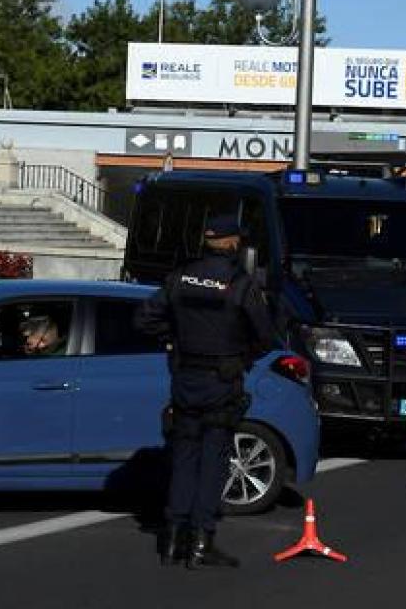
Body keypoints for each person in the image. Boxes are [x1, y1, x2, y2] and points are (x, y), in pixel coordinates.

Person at [135, 211, 274, 569]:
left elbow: (144, 318)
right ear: (232, 242)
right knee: (213, 461)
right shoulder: (240, 284)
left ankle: (172, 540)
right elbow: (264, 335)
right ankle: (200, 542)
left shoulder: (180, 277)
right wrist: (241, 357)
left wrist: (175, 340)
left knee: (183, 456)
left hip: (185, 379)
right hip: (221, 382)